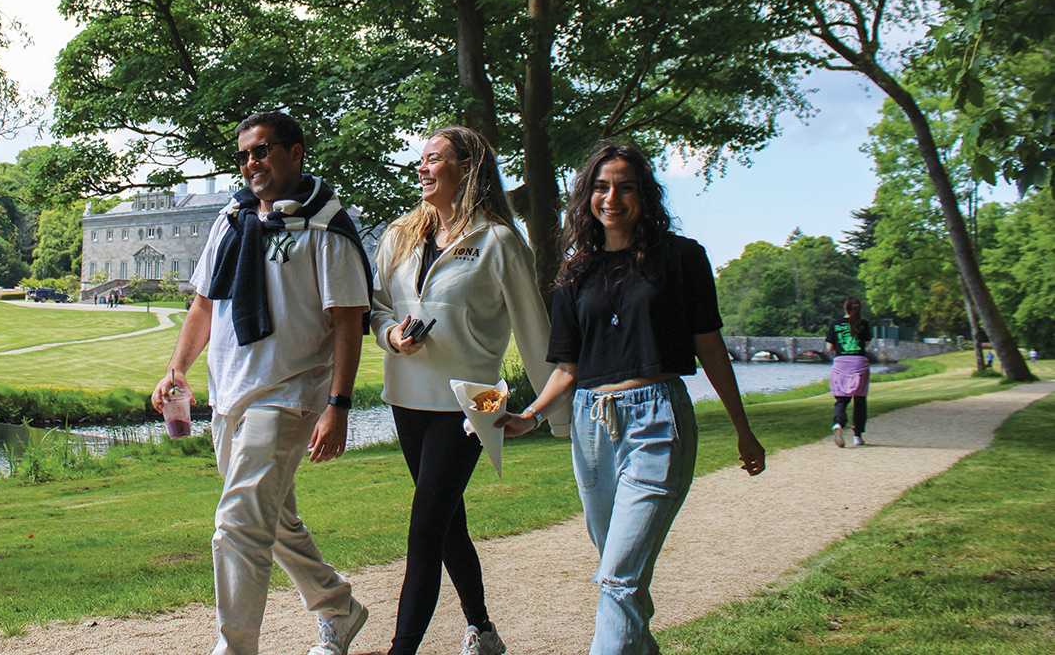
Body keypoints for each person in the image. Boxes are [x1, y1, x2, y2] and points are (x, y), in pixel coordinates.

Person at [501, 141, 766, 655]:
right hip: (590, 430)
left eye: (625, 186)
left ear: (644, 194)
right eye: (601, 187)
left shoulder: (682, 258)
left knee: (617, 579)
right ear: (586, 198)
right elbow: (568, 370)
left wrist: (743, 428)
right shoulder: (575, 274)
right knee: (620, 576)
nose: (612, 197)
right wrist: (528, 416)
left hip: (657, 420)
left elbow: (709, 347)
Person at [152, 111, 373, 655]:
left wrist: (338, 405)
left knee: (237, 525)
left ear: (296, 153)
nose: (252, 162)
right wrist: (177, 368)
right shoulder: (231, 219)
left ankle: (236, 647)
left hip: (290, 395)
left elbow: (349, 322)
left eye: (264, 150)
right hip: (229, 394)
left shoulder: (328, 228)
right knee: (272, 519)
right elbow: (203, 303)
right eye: (245, 154)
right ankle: (338, 608)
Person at [369, 126, 569, 655]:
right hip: (406, 396)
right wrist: (392, 335)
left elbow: (534, 329)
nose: (423, 167)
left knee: (425, 525)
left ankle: (401, 649)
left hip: (477, 400)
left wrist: (559, 415)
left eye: (435, 159)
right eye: (422, 159)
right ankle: (483, 629)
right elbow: (379, 308)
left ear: (468, 168)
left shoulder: (499, 240)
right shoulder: (398, 236)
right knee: (447, 519)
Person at [825, 297, 871, 447]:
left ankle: (838, 424)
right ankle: (857, 436)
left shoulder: (835, 324)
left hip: (841, 364)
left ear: (845, 308)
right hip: (859, 363)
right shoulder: (863, 324)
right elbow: (866, 344)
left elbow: (830, 348)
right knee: (859, 399)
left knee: (841, 398)